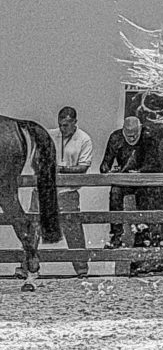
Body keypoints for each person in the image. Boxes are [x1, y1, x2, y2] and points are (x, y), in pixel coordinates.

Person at [100, 112, 145, 268]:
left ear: (140, 130)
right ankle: (116, 235)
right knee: (115, 193)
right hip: (124, 179)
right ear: (123, 131)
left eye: (135, 136)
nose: (131, 139)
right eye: (128, 135)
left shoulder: (149, 138)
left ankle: (143, 236)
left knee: (146, 196)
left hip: (145, 181)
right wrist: (108, 170)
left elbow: (156, 162)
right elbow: (105, 163)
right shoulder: (115, 138)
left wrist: (141, 172)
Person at [54, 106, 93, 279]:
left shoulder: (84, 139)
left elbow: (83, 167)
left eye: (67, 125)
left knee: (73, 229)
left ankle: (81, 268)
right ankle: (26, 266)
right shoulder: (50, 135)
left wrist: (61, 170)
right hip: (45, 188)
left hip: (68, 190)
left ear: (75, 122)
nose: (63, 129)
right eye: (61, 125)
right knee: (34, 225)